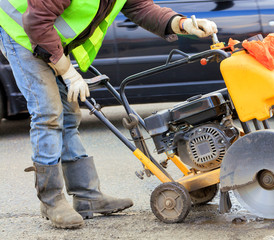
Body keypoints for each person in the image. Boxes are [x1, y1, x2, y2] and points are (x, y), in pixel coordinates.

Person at [0, 0, 217, 229]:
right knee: (48, 113)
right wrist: (68, 72)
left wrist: (183, 24)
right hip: (22, 32)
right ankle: (51, 200)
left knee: (69, 115)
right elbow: (36, 22)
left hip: (45, 32)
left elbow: (141, 7)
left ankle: (87, 196)